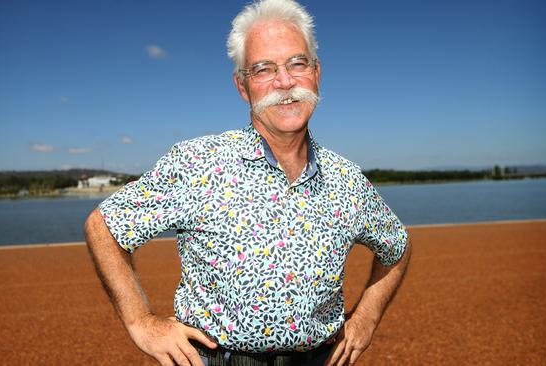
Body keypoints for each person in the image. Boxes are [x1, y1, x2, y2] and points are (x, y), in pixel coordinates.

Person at [84, 0, 411, 365]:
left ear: (317, 73)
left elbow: (396, 247)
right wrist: (141, 321)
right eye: (263, 69)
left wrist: (366, 317)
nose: (284, 82)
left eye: (296, 63)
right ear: (243, 86)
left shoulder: (346, 178)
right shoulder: (198, 162)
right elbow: (105, 226)